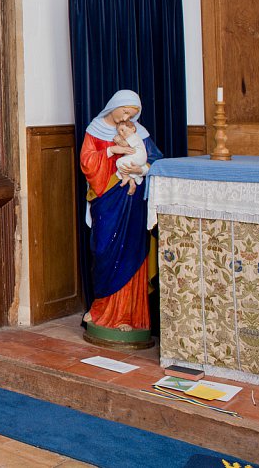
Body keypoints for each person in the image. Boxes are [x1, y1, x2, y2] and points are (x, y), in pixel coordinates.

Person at [80, 90, 163, 337]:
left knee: (132, 253)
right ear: (113, 107)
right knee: (105, 250)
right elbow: (87, 162)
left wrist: (143, 167)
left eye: (132, 114)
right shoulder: (94, 130)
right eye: (125, 111)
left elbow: (157, 160)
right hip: (106, 201)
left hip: (133, 202)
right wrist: (111, 152)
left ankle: (131, 315)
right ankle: (103, 311)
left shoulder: (139, 133)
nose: (127, 118)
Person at [113, 119, 147, 195]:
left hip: (138, 158)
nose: (121, 133)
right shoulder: (132, 138)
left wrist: (118, 140)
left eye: (122, 130)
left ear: (133, 129)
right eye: (119, 132)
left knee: (119, 162)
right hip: (136, 159)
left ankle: (125, 178)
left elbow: (125, 144)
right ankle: (131, 182)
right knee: (124, 166)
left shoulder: (134, 136)